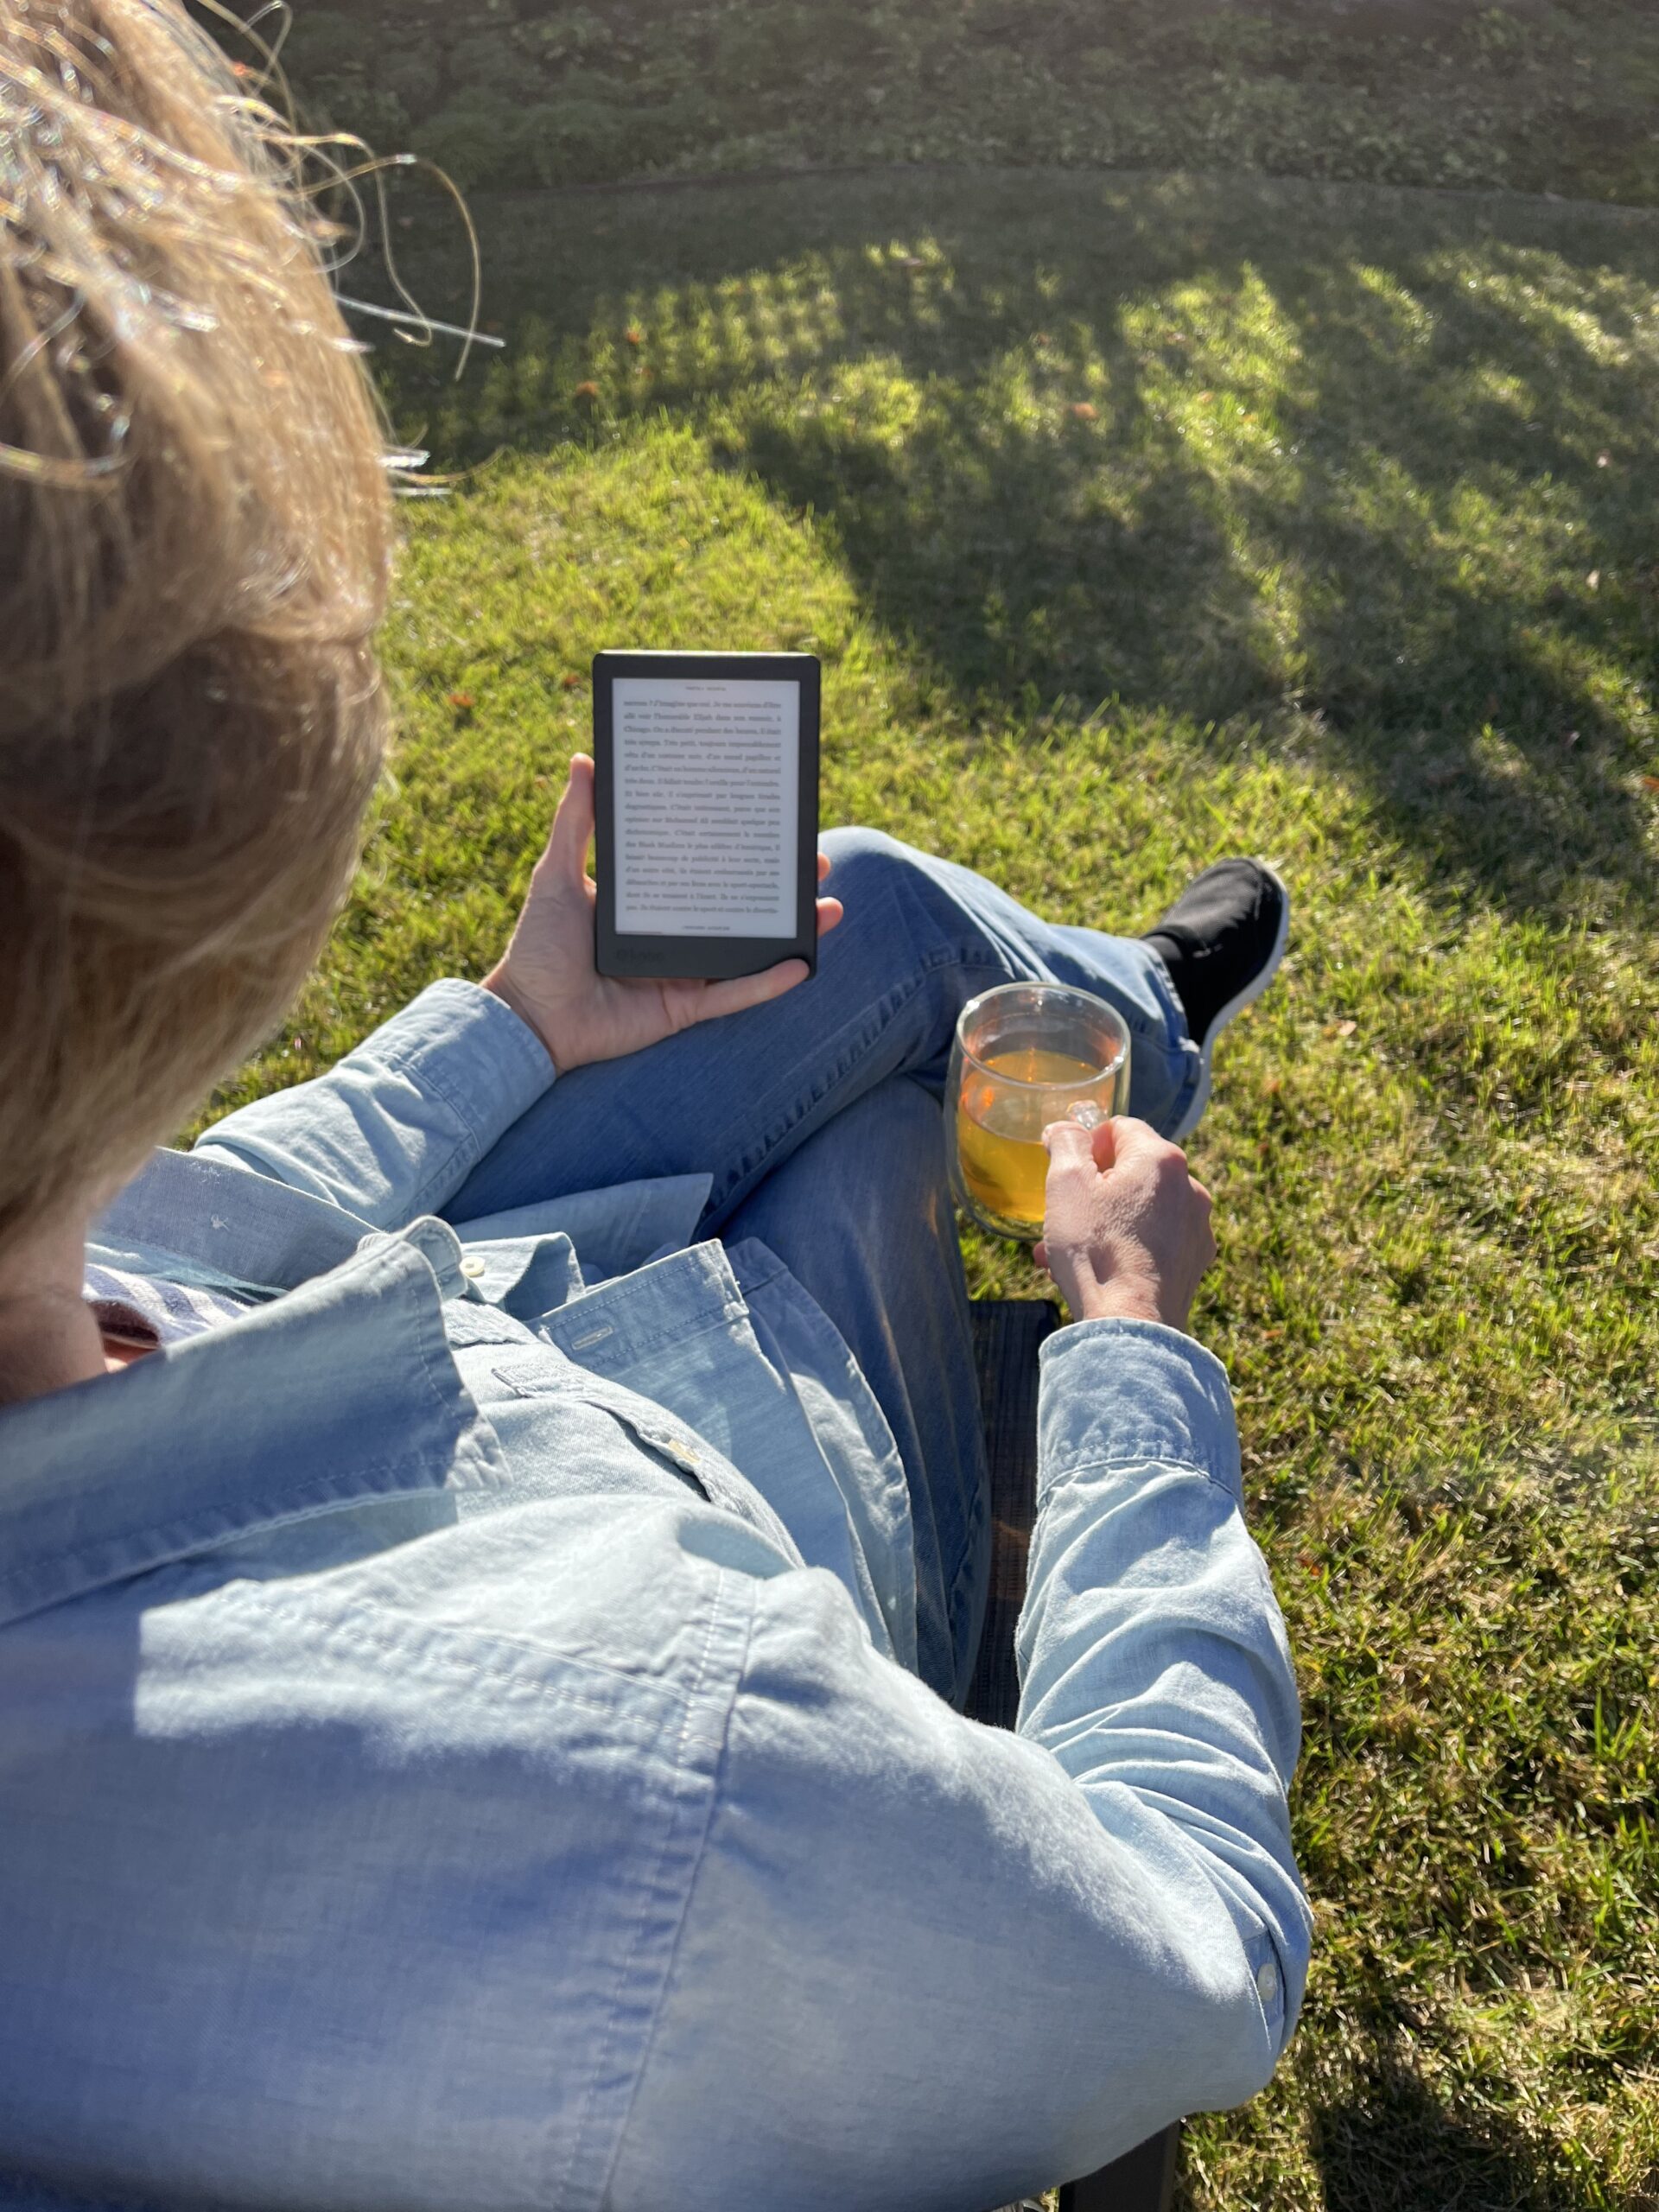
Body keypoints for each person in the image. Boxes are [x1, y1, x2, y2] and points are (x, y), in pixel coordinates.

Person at [0, 3, 1312, 2206]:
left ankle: (1152, 1009)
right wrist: (1126, 1359)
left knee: (870, 922)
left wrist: (522, 1015)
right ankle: (1126, 1081)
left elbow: (203, 1216)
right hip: (711, 1489)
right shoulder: (667, 1784)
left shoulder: (71, 1203)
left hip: (483, 1311)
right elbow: (1186, 1951)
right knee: (905, 1109)